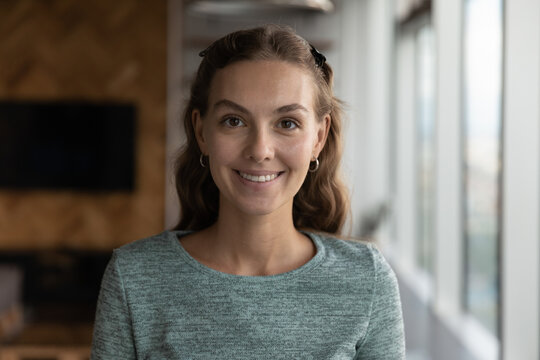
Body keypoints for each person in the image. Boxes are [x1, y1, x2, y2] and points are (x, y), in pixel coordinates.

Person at [91, 24, 405, 359]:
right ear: (201, 131)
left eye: (287, 123)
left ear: (318, 136)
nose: (260, 150)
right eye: (234, 121)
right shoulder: (134, 278)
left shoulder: (367, 280)